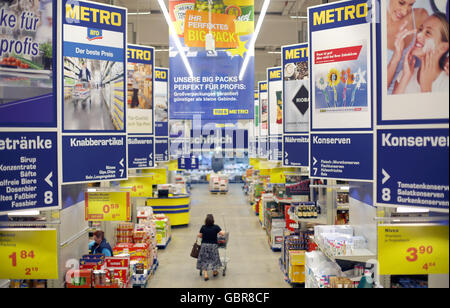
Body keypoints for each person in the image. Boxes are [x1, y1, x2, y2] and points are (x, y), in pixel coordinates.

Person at [393, 13, 449, 94]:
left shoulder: (446, 84)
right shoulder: (404, 75)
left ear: (443, 47)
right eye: (420, 30)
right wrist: (405, 77)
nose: (419, 35)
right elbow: (393, 106)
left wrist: (426, 87)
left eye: (428, 32)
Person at [386, 0, 429, 94]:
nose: (405, 11)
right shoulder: (374, 24)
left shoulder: (420, 16)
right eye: (401, 2)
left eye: (411, 5)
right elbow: (379, 90)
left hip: (411, 91)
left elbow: (435, 46)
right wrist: (396, 57)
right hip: (387, 99)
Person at [196, 214, 226, 281]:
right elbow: (222, 233)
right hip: (213, 246)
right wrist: (223, 231)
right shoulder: (216, 227)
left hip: (204, 246)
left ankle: (206, 275)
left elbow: (200, 235)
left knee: (204, 260)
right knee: (214, 259)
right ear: (213, 220)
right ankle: (214, 272)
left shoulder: (203, 227)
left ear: (206, 221)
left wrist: (201, 234)